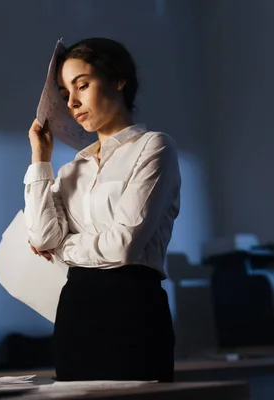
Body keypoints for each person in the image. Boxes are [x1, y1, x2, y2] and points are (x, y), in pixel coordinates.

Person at [23, 38, 181, 382]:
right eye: (65, 94)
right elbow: (40, 235)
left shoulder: (154, 147)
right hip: (75, 312)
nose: (73, 102)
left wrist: (64, 249)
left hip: (133, 307)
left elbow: (124, 246)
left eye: (82, 85)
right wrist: (41, 159)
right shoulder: (70, 170)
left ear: (118, 79)